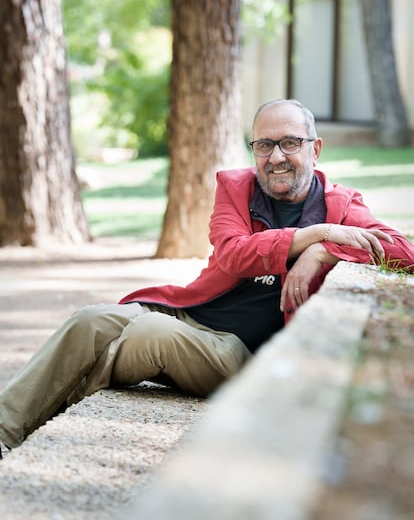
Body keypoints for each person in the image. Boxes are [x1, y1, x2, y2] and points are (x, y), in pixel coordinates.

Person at [1, 98, 413, 459]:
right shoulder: (235, 188)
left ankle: (39, 418)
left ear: (315, 149)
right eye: (264, 145)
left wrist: (323, 252)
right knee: (89, 319)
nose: (276, 157)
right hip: (193, 316)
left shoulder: (340, 205)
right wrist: (315, 236)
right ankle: (5, 432)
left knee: (145, 333)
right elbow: (233, 254)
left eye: (289, 142)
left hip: (241, 355)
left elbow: (404, 252)